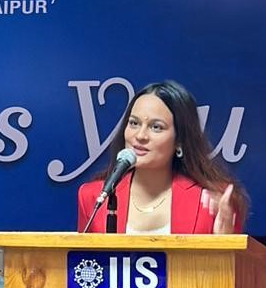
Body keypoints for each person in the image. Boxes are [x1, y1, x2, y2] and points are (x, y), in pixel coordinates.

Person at [77, 80, 247, 234]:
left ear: (179, 140)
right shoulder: (93, 197)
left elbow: (236, 258)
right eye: (134, 123)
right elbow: (81, 258)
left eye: (156, 127)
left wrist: (225, 241)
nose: (140, 136)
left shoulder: (211, 201)